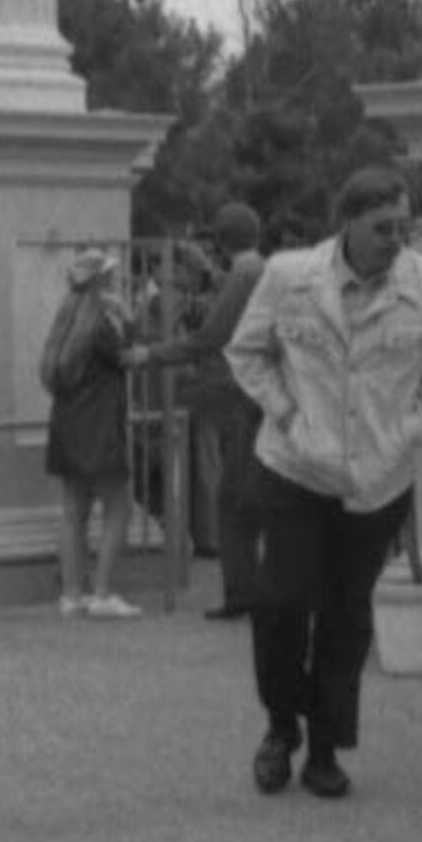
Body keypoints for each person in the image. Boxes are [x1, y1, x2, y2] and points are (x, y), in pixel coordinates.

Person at [224, 166, 422, 799]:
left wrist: (408, 431)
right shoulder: (288, 276)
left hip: (378, 480)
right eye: (383, 227)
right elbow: (246, 353)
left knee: (344, 614)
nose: (397, 238)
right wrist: (285, 414)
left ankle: (327, 747)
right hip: (294, 465)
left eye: (404, 227)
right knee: (280, 603)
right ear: (349, 224)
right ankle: (282, 726)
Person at [141, 204, 270, 620]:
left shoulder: (246, 272)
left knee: (234, 499)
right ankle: (248, 588)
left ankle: (243, 593)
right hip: (251, 394)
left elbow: (210, 335)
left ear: (220, 240)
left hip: (242, 395)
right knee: (242, 494)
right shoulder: (255, 268)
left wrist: (151, 354)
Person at [40, 247, 144, 617]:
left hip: (67, 424)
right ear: (100, 281)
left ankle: (71, 594)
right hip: (99, 427)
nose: (116, 279)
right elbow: (127, 354)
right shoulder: (102, 323)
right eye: (110, 275)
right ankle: (101, 593)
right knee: (119, 507)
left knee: (73, 510)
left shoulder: (65, 319)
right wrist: (129, 316)